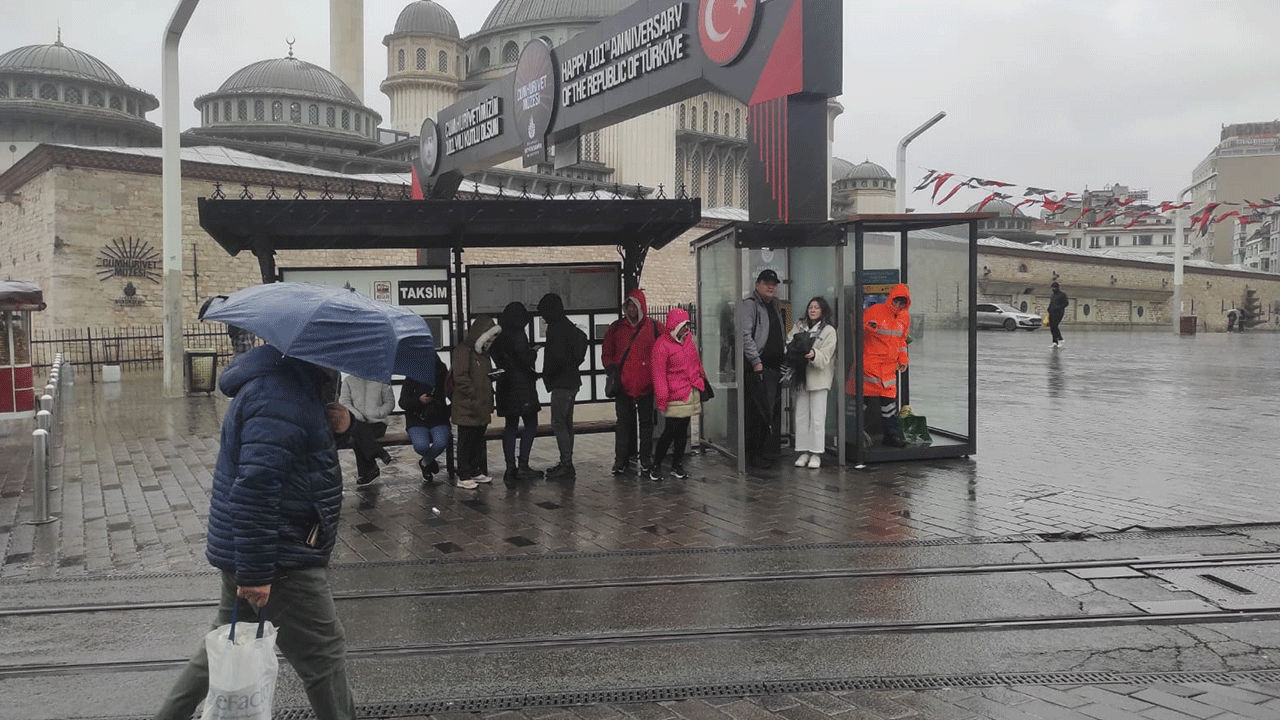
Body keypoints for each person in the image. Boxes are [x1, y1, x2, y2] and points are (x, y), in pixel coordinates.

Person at [153, 344, 356, 720]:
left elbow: (300, 459)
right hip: (280, 554)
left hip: (256, 547)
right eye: (335, 347)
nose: (342, 357)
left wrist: (341, 426)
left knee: (220, 647)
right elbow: (256, 488)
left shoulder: (294, 386)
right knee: (324, 655)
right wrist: (257, 573)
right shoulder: (281, 395)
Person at [602, 288, 661, 475]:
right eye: (628, 306)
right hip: (623, 385)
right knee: (623, 424)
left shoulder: (654, 327)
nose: (631, 310)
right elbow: (607, 351)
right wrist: (611, 368)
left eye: (634, 306)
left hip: (646, 385)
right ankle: (621, 460)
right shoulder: (616, 328)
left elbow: (667, 347)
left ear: (641, 307)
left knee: (646, 425)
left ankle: (645, 459)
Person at [649, 307, 707, 481]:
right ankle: (657, 464)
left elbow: (695, 363)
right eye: (683, 325)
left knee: (683, 431)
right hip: (674, 395)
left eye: (688, 325)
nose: (686, 329)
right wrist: (662, 398)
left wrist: (700, 380)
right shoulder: (661, 345)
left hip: (689, 392)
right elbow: (658, 374)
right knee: (670, 432)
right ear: (675, 326)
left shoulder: (688, 342)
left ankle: (677, 465)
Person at [491, 301, 543, 486]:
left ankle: (510, 466)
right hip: (522, 385)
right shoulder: (518, 334)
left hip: (505, 385)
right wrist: (533, 352)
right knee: (530, 423)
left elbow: (499, 358)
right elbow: (524, 359)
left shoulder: (498, 334)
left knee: (510, 425)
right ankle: (523, 465)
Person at [537, 292, 589, 480]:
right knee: (566, 423)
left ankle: (566, 464)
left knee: (559, 423)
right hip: (572, 381)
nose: (543, 317)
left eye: (544, 312)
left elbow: (554, 358)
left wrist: (546, 376)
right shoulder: (568, 326)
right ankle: (566, 462)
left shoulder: (556, 329)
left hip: (562, 383)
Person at [741, 268, 786, 468]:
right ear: (757, 284)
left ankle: (769, 451)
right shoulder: (750, 305)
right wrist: (756, 361)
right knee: (757, 413)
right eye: (767, 282)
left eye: (774, 284)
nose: (771, 286)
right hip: (759, 369)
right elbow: (745, 335)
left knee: (771, 411)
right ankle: (754, 454)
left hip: (775, 368)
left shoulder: (774, 306)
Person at [858, 283, 912, 448]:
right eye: (896, 301)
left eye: (902, 302)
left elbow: (901, 340)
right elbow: (858, 329)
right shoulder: (874, 311)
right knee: (861, 401)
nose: (898, 305)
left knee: (889, 404)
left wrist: (903, 359)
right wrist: (868, 328)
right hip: (871, 364)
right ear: (891, 299)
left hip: (888, 368)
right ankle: (853, 432)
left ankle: (891, 436)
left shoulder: (905, 317)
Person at [451, 316, 501, 488]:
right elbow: (460, 376)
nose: (490, 342)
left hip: (481, 403)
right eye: (489, 338)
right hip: (468, 404)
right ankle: (463, 474)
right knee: (466, 440)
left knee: (478, 439)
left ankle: (475, 470)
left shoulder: (483, 354)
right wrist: (472, 394)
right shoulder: (463, 351)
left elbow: (481, 375)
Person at [788, 297, 838, 469]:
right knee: (801, 416)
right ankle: (803, 451)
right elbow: (789, 342)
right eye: (810, 307)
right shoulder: (800, 325)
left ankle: (816, 453)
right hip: (801, 377)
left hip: (819, 378)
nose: (813, 310)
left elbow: (827, 356)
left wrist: (813, 354)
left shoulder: (829, 331)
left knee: (817, 417)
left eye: (817, 307)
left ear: (823, 310)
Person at [401, 354, 458, 486]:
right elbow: (403, 402)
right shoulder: (411, 377)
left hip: (438, 418)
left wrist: (444, 410)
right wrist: (419, 401)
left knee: (441, 441)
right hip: (416, 419)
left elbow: (452, 395)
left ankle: (425, 462)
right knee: (421, 445)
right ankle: (431, 462)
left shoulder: (441, 374)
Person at [339, 373, 395, 486]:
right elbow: (344, 402)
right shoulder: (348, 381)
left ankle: (368, 471)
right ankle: (378, 452)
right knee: (357, 434)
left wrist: (379, 413)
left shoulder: (381, 380)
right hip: (358, 421)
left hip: (377, 423)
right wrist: (358, 416)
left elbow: (390, 403)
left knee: (357, 436)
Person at [1048, 281, 1069, 348]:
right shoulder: (1052, 295)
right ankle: (1054, 342)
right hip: (1052, 312)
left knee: (1055, 326)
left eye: (1054, 288)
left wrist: (1058, 307)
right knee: (1052, 327)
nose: (1053, 289)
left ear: (1057, 287)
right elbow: (1051, 302)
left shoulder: (1062, 294)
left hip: (1059, 313)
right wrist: (1049, 308)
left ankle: (1061, 339)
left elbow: (1066, 303)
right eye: (1052, 288)